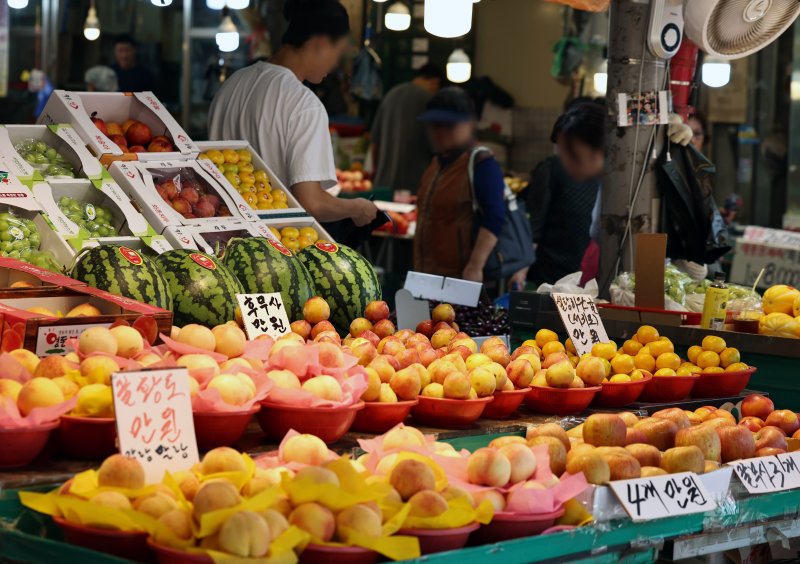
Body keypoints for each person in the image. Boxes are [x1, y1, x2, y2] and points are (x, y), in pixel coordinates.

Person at [208, 0, 378, 226]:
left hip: (218, 232)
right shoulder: (304, 104)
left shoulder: (232, 84)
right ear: (321, 43)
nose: (334, 65)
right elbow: (312, 203)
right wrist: (357, 207)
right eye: (337, 54)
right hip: (274, 246)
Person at [414, 87, 522, 286]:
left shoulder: (482, 163)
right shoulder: (437, 163)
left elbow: (494, 218)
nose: (440, 132)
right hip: (428, 275)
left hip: (460, 279)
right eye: (435, 125)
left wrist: (475, 266)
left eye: (448, 124)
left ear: (470, 123)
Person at [527, 101, 604, 285]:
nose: (566, 161)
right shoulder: (552, 169)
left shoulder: (619, 184)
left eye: (571, 152)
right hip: (554, 277)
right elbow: (534, 225)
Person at [371, 63, 445, 194]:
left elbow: (375, 143)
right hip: (413, 188)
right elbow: (438, 150)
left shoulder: (390, 94)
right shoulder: (429, 101)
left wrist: (376, 174)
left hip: (382, 186)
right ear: (435, 82)